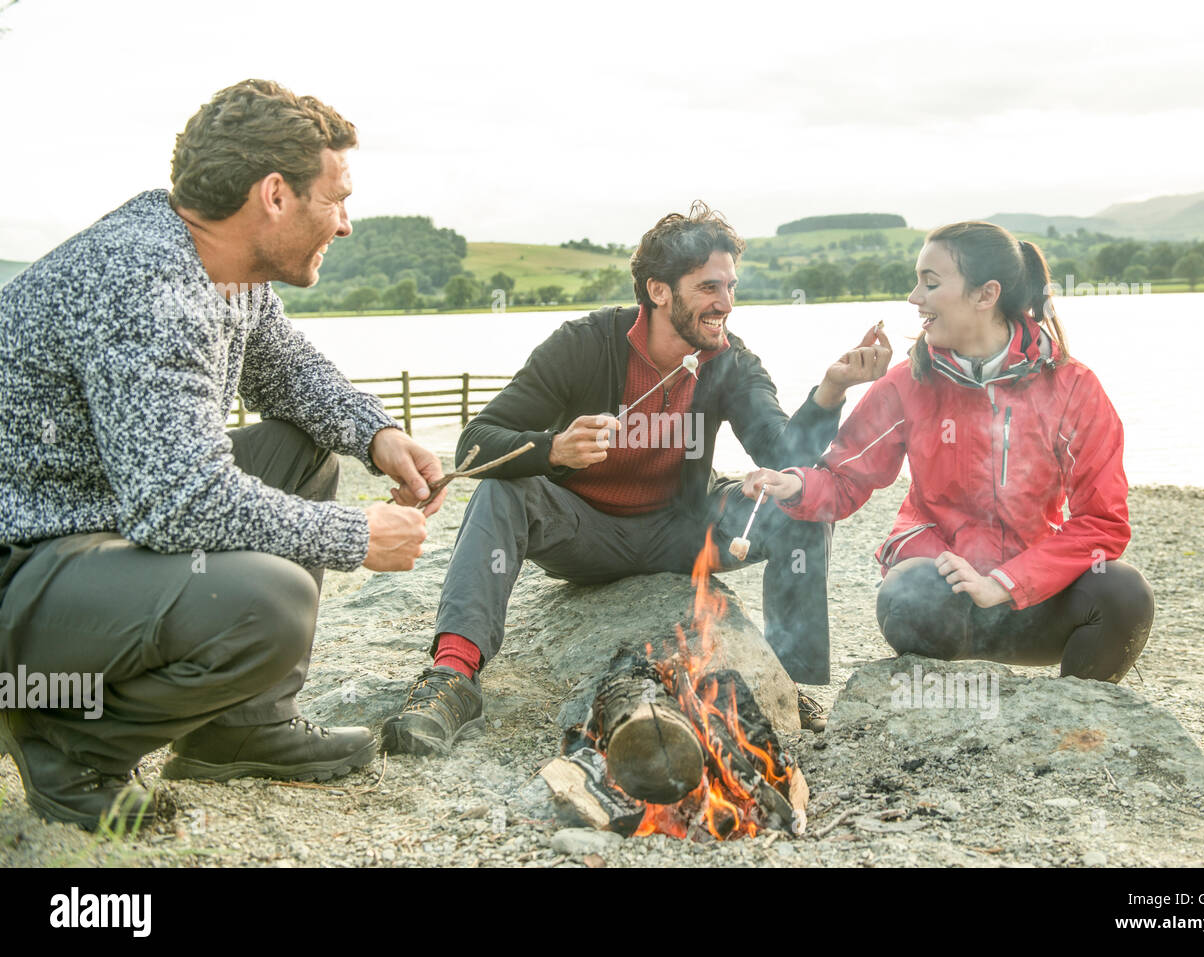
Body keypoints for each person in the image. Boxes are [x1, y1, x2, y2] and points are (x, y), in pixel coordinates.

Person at [0, 79, 445, 831]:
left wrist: (378, 433)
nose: (345, 223)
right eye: (336, 198)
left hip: (88, 530)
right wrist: (356, 537)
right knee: (268, 602)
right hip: (22, 567)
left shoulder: (218, 262)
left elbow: (286, 370)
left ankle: (238, 726)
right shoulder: (145, 278)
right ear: (274, 194)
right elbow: (178, 502)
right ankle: (68, 742)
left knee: (302, 451)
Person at [380, 201, 892, 756]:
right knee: (503, 490)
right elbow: (476, 441)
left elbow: (784, 450)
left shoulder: (730, 361)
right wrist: (555, 449)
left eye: (731, 287)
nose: (726, 303)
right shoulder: (583, 344)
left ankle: (784, 682)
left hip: (682, 528)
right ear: (658, 291)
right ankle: (453, 677)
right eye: (709, 288)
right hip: (584, 534)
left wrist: (833, 389)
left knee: (798, 500)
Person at [744, 222, 1154, 683]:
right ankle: (944, 712)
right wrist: (794, 484)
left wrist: (1004, 583)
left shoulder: (1073, 386)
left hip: (1032, 598)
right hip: (944, 599)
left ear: (986, 295)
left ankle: (1076, 718)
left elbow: (1102, 522)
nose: (913, 297)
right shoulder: (906, 381)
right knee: (907, 592)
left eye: (930, 283)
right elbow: (845, 480)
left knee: (1124, 593)